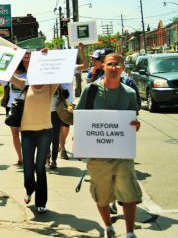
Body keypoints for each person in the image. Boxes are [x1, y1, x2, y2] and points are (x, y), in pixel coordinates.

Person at [76, 53, 141, 238]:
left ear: (123, 68)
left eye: (118, 64)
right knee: (102, 195)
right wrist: (81, 144)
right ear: (103, 66)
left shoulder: (129, 94)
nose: (114, 67)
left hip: (122, 154)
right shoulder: (91, 91)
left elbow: (132, 122)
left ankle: (130, 233)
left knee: (129, 193)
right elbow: (80, 118)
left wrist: (135, 125)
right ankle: (108, 228)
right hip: (98, 155)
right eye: (110, 64)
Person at [10, 49, 58, 214]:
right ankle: (29, 189)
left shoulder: (51, 86)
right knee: (28, 168)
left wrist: (48, 55)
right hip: (28, 133)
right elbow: (8, 75)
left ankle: (41, 202)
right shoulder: (26, 84)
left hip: (45, 131)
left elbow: (61, 68)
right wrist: (13, 55)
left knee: (40, 168)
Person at [0, 51, 30, 166]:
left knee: (26, 134)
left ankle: (28, 156)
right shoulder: (9, 76)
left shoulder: (27, 76)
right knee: (15, 133)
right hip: (12, 107)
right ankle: (20, 158)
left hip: (26, 106)